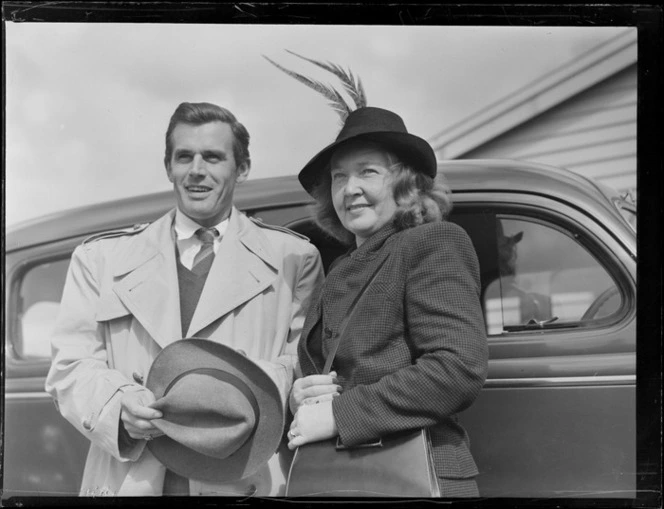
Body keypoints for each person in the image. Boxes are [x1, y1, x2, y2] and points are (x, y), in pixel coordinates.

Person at [45, 102, 324, 496]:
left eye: (213, 157)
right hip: (132, 477)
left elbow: (303, 363)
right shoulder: (101, 259)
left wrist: (230, 396)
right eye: (184, 157)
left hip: (242, 476)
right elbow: (69, 366)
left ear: (241, 168)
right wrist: (118, 406)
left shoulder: (293, 259)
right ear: (168, 167)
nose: (197, 170)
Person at [286, 106, 489, 497]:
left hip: (418, 476)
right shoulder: (344, 265)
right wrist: (303, 396)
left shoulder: (433, 242)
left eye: (368, 172)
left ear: (406, 183)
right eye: (338, 177)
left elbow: (457, 368)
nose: (349, 189)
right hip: (345, 476)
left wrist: (336, 414)